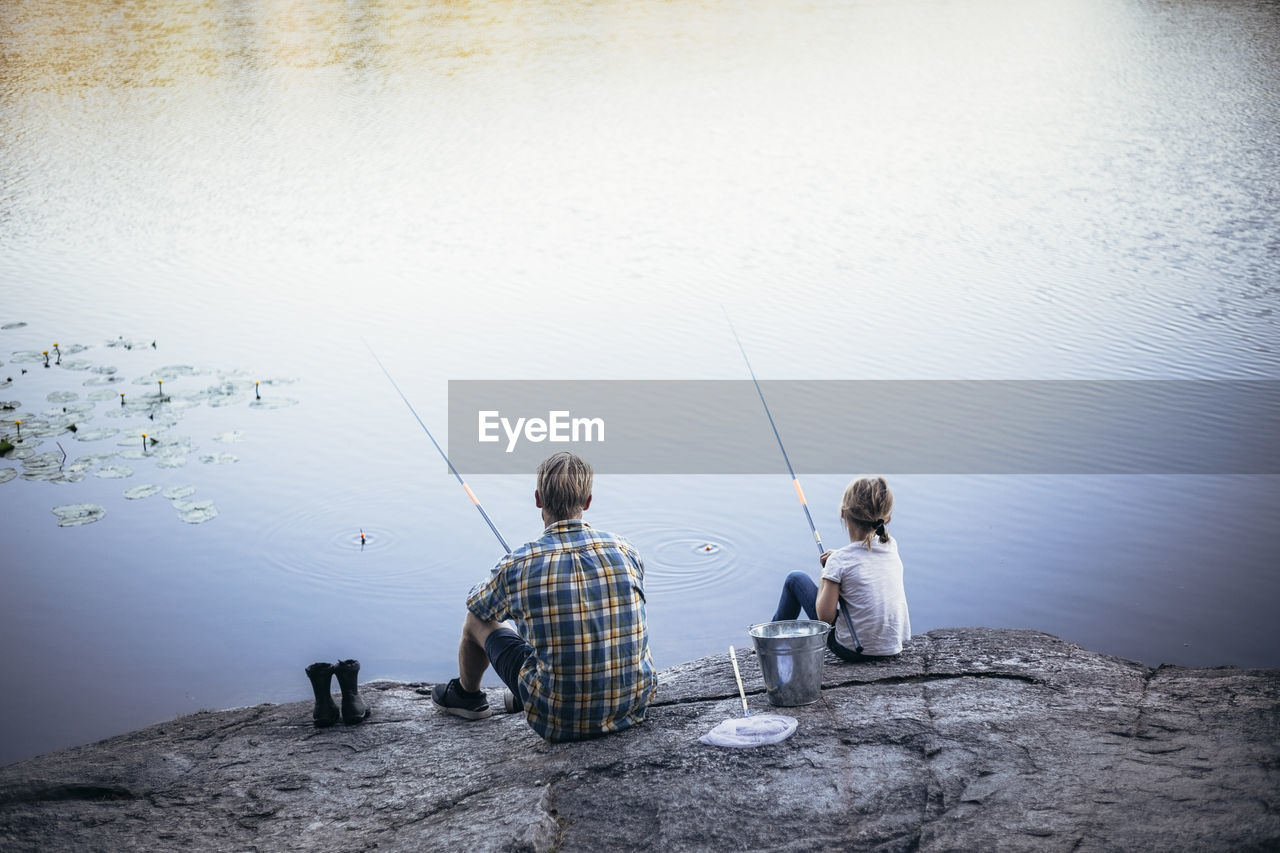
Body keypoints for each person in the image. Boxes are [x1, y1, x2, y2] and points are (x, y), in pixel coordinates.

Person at [432, 451, 658, 741]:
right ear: (587, 501)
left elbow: (478, 605)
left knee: (476, 620)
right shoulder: (626, 551)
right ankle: (523, 693)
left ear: (538, 498)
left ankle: (467, 697)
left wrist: (514, 585)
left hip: (557, 720)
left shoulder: (519, 565)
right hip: (633, 706)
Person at [771, 476, 910, 661]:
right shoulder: (891, 545)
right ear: (886, 518)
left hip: (852, 649)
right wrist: (836, 559)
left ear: (843, 514)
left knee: (795, 579)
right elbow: (862, 559)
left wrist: (827, 572)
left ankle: (771, 643)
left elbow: (824, 618)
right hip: (891, 647)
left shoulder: (839, 562)